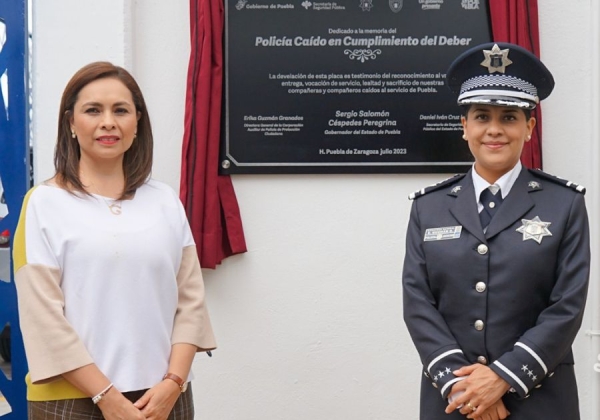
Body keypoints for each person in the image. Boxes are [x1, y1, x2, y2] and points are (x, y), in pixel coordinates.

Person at [13, 62, 216, 419]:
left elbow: (190, 302)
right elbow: (43, 318)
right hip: (72, 399)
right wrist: (107, 397)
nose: (108, 121)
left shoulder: (165, 201)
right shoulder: (43, 203)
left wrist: (173, 382)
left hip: (164, 397)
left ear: (137, 123)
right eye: (93, 110)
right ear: (71, 124)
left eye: (120, 110)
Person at [402, 42, 590, 419]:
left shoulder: (564, 204)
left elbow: (566, 308)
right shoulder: (429, 208)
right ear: (464, 127)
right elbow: (418, 303)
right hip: (454, 400)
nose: (494, 130)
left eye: (509, 117)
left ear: (529, 127)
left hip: (539, 399)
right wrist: (464, 386)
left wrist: (501, 378)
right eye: (482, 116)